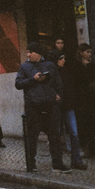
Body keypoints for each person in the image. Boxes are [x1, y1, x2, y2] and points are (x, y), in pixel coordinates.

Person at [15, 42, 68, 172]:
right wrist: (33, 79)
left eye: (31, 52)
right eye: (27, 52)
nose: (28, 54)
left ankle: (57, 163)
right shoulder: (24, 67)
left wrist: (59, 96)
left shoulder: (50, 65)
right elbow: (18, 84)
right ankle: (31, 163)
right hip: (33, 107)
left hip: (50, 106)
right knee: (32, 137)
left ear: (38, 53)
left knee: (54, 137)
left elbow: (58, 83)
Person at [54, 51, 87, 169]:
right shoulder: (52, 73)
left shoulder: (66, 71)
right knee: (57, 134)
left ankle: (76, 160)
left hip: (68, 106)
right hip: (56, 107)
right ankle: (58, 162)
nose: (64, 60)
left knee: (74, 133)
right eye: (61, 58)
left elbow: (71, 87)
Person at [68, 43, 95, 156]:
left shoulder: (92, 65)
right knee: (83, 123)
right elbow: (75, 81)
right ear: (81, 52)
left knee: (94, 122)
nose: (89, 54)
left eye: (90, 52)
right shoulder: (75, 65)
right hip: (81, 98)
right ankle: (83, 147)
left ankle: (93, 147)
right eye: (87, 52)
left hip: (92, 97)